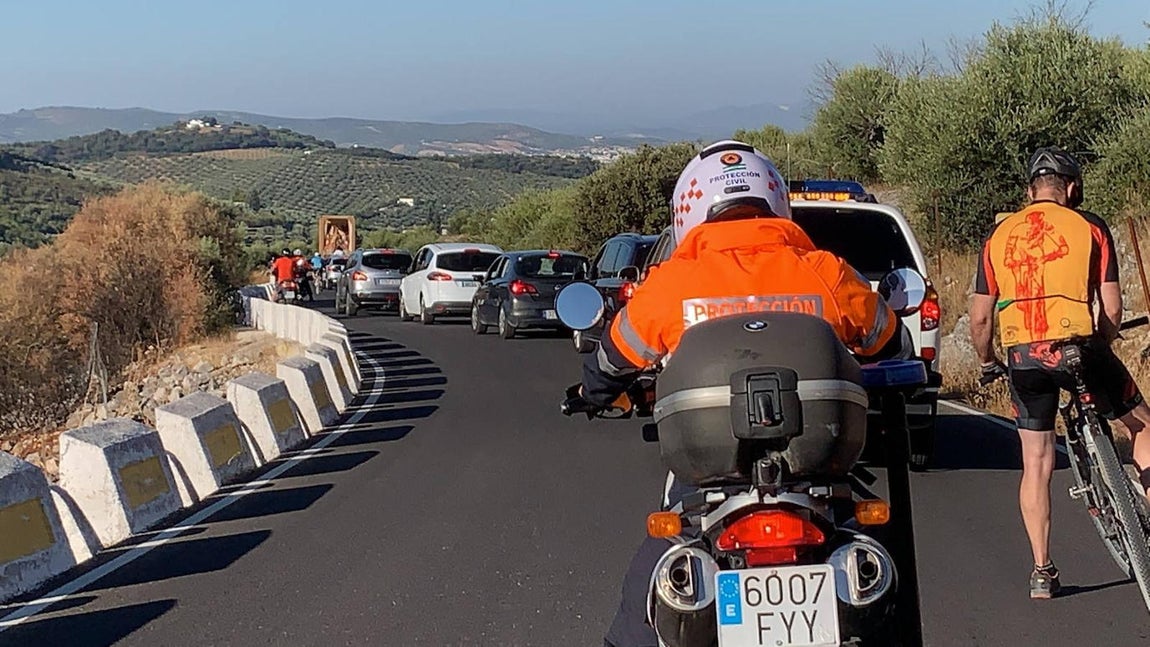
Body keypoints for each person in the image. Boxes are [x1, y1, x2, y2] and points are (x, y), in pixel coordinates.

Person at [568, 140, 912, 647]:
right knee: (882, 582)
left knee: (648, 595)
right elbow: (892, 342)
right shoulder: (825, 271)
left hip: (708, 478)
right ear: (774, 200)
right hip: (817, 472)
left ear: (690, 209)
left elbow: (613, 360)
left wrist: (592, 392)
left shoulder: (669, 285)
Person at [969, 146, 1150, 600]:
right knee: (1142, 425)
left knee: (1036, 463)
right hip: (1079, 347)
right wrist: (1102, 345)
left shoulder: (998, 237)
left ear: (1030, 192)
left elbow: (979, 320)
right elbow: (1110, 307)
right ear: (1071, 188)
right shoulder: (1088, 226)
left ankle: (1042, 572)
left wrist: (988, 362)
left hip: (1024, 358)